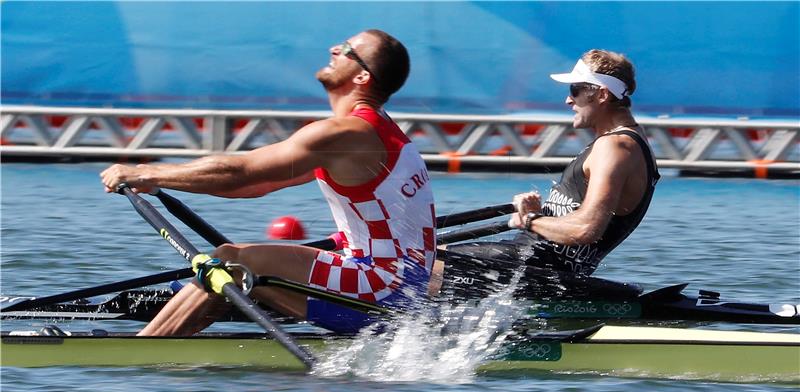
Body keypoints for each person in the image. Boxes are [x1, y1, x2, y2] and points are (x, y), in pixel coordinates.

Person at [100, 29, 437, 335]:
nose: (335, 47)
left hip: (380, 289)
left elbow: (241, 173)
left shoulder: (347, 134)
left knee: (235, 262)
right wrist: (166, 183)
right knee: (232, 261)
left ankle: (145, 350)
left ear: (363, 76)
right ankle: (180, 328)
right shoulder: (375, 132)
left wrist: (146, 173)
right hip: (397, 286)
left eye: (347, 48)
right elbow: (254, 187)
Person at [432, 49, 660, 298]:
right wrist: (540, 216)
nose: (568, 100)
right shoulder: (619, 143)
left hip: (537, 265)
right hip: (530, 258)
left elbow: (586, 229)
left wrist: (530, 220)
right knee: (425, 256)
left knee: (420, 264)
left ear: (603, 94)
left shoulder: (616, 147)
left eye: (575, 89)